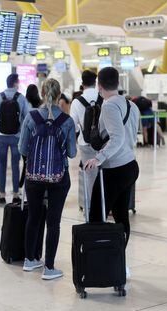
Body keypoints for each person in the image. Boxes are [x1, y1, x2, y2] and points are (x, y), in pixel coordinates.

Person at [19, 78, 76, 280]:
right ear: (59, 95)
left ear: (42, 94)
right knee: (54, 222)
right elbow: (71, 153)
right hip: (59, 177)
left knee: (33, 217)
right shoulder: (67, 121)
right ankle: (49, 268)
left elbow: (22, 148)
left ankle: (29, 260)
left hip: (34, 176)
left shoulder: (31, 117)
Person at [85, 67, 139, 265]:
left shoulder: (108, 105)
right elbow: (131, 136)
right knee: (120, 215)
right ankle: (118, 261)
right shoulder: (131, 105)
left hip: (114, 168)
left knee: (96, 215)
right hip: (130, 165)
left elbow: (117, 138)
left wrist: (99, 158)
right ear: (117, 83)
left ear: (99, 86)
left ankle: (99, 261)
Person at [0, 74, 29, 204]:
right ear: (16, 83)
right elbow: (26, 117)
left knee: (2, 165)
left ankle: (1, 194)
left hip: (1, 136)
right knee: (15, 165)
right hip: (16, 136)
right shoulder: (21, 98)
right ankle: (16, 195)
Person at [70, 70, 100, 210]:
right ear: (96, 82)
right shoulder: (103, 98)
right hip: (104, 144)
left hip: (86, 144)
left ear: (82, 84)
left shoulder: (77, 102)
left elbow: (73, 126)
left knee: (89, 179)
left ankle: (90, 211)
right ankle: (105, 207)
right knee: (106, 176)